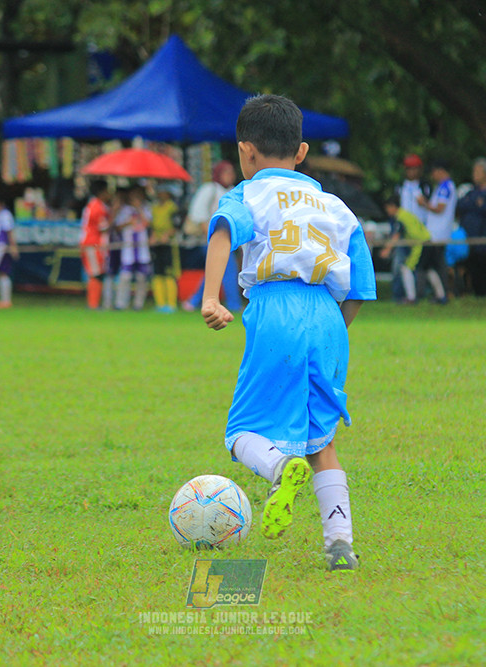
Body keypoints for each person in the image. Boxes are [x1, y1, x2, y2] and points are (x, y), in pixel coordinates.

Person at [200, 94, 376, 571]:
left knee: (240, 432)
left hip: (275, 306)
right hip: (328, 315)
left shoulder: (247, 194)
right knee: (323, 441)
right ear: (301, 152)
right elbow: (360, 283)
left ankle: (280, 466)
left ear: (245, 153)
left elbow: (222, 233)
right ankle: (340, 544)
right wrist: (332, 332)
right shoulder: (335, 205)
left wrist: (212, 297)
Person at [181, 160, 242, 312]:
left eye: (231, 172)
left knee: (214, 271)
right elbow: (199, 213)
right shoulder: (209, 189)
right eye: (226, 172)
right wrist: (212, 238)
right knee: (228, 271)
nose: (230, 175)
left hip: (229, 239)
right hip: (211, 237)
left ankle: (193, 301)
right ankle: (234, 304)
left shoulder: (233, 190)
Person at [456, 157, 486, 297]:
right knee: (473, 268)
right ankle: (477, 293)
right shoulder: (471, 193)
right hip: (472, 239)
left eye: (478, 171)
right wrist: (477, 204)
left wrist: (478, 205)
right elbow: (462, 205)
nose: (474, 174)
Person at [415, 159, 455, 302]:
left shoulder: (446, 187)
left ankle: (420, 295)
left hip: (436, 234)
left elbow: (439, 208)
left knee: (425, 265)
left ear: (440, 171)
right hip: (435, 233)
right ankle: (441, 295)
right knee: (435, 265)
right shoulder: (443, 186)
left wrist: (423, 203)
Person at [379, 191, 429, 304]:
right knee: (429, 270)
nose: (387, 211)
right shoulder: (406, 214)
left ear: (392, 206)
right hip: (427, 241)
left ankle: (411, 298)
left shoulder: (400, 217)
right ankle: (440, 296)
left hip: (419, 245)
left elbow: (396, 236)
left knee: (406, 268)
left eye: (387, 208)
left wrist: (386, 250)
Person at [115, 185, 152, 311]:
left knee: (142, 277)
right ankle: (121, 303)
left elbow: (147, 223)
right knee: (125, 277)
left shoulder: (146, 209)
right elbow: (118, 226)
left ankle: (138, 304)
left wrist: (139, 209)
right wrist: (128, 222)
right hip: (128, 248)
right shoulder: (124, 210)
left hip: (142, 249)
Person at [79, 181, 111, 310]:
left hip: (92, 243)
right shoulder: (97, 207)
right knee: (95, 273)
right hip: (92, 243)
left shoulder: (93, 205)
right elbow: (103, 228)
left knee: (96, 273)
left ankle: (94, 303)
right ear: (102, 192)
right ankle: (93, 304)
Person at [150, 185, 179, 313]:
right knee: (157, 273)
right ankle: (160, 303)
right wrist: (153, 236)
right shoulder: (154, 208)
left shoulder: (172, 207)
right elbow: (151, 225)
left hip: (168, 244)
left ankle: (171, 304)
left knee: (169, 274)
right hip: (156, 245)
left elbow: (177, 225)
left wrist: (167, 235)